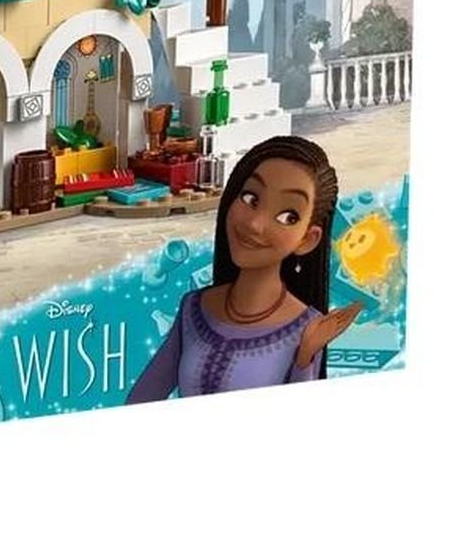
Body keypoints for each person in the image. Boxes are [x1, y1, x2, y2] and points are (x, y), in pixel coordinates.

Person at [127, 135, 362, 402]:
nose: (254, 225)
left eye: (287, 217)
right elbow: (141, 399)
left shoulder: (307, 328)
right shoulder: (193, 308)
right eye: (250, 198)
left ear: (307, 240)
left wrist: (305, 357)